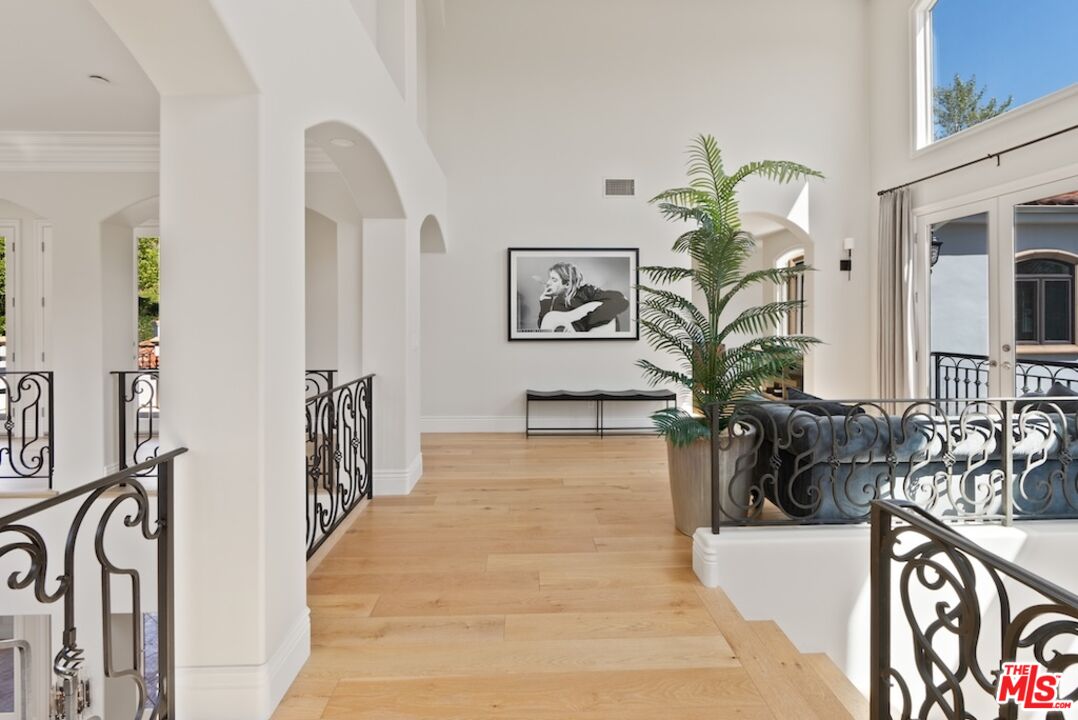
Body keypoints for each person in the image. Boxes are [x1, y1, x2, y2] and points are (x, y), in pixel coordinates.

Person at [537, 262, 629, 333]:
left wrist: (582, 325)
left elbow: (620, 300)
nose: (548, 282)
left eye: (554, 280)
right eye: (549, 278)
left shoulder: (586, 291)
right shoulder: (556, 301)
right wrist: (545, 302)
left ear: (567, 284)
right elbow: (546, 330)